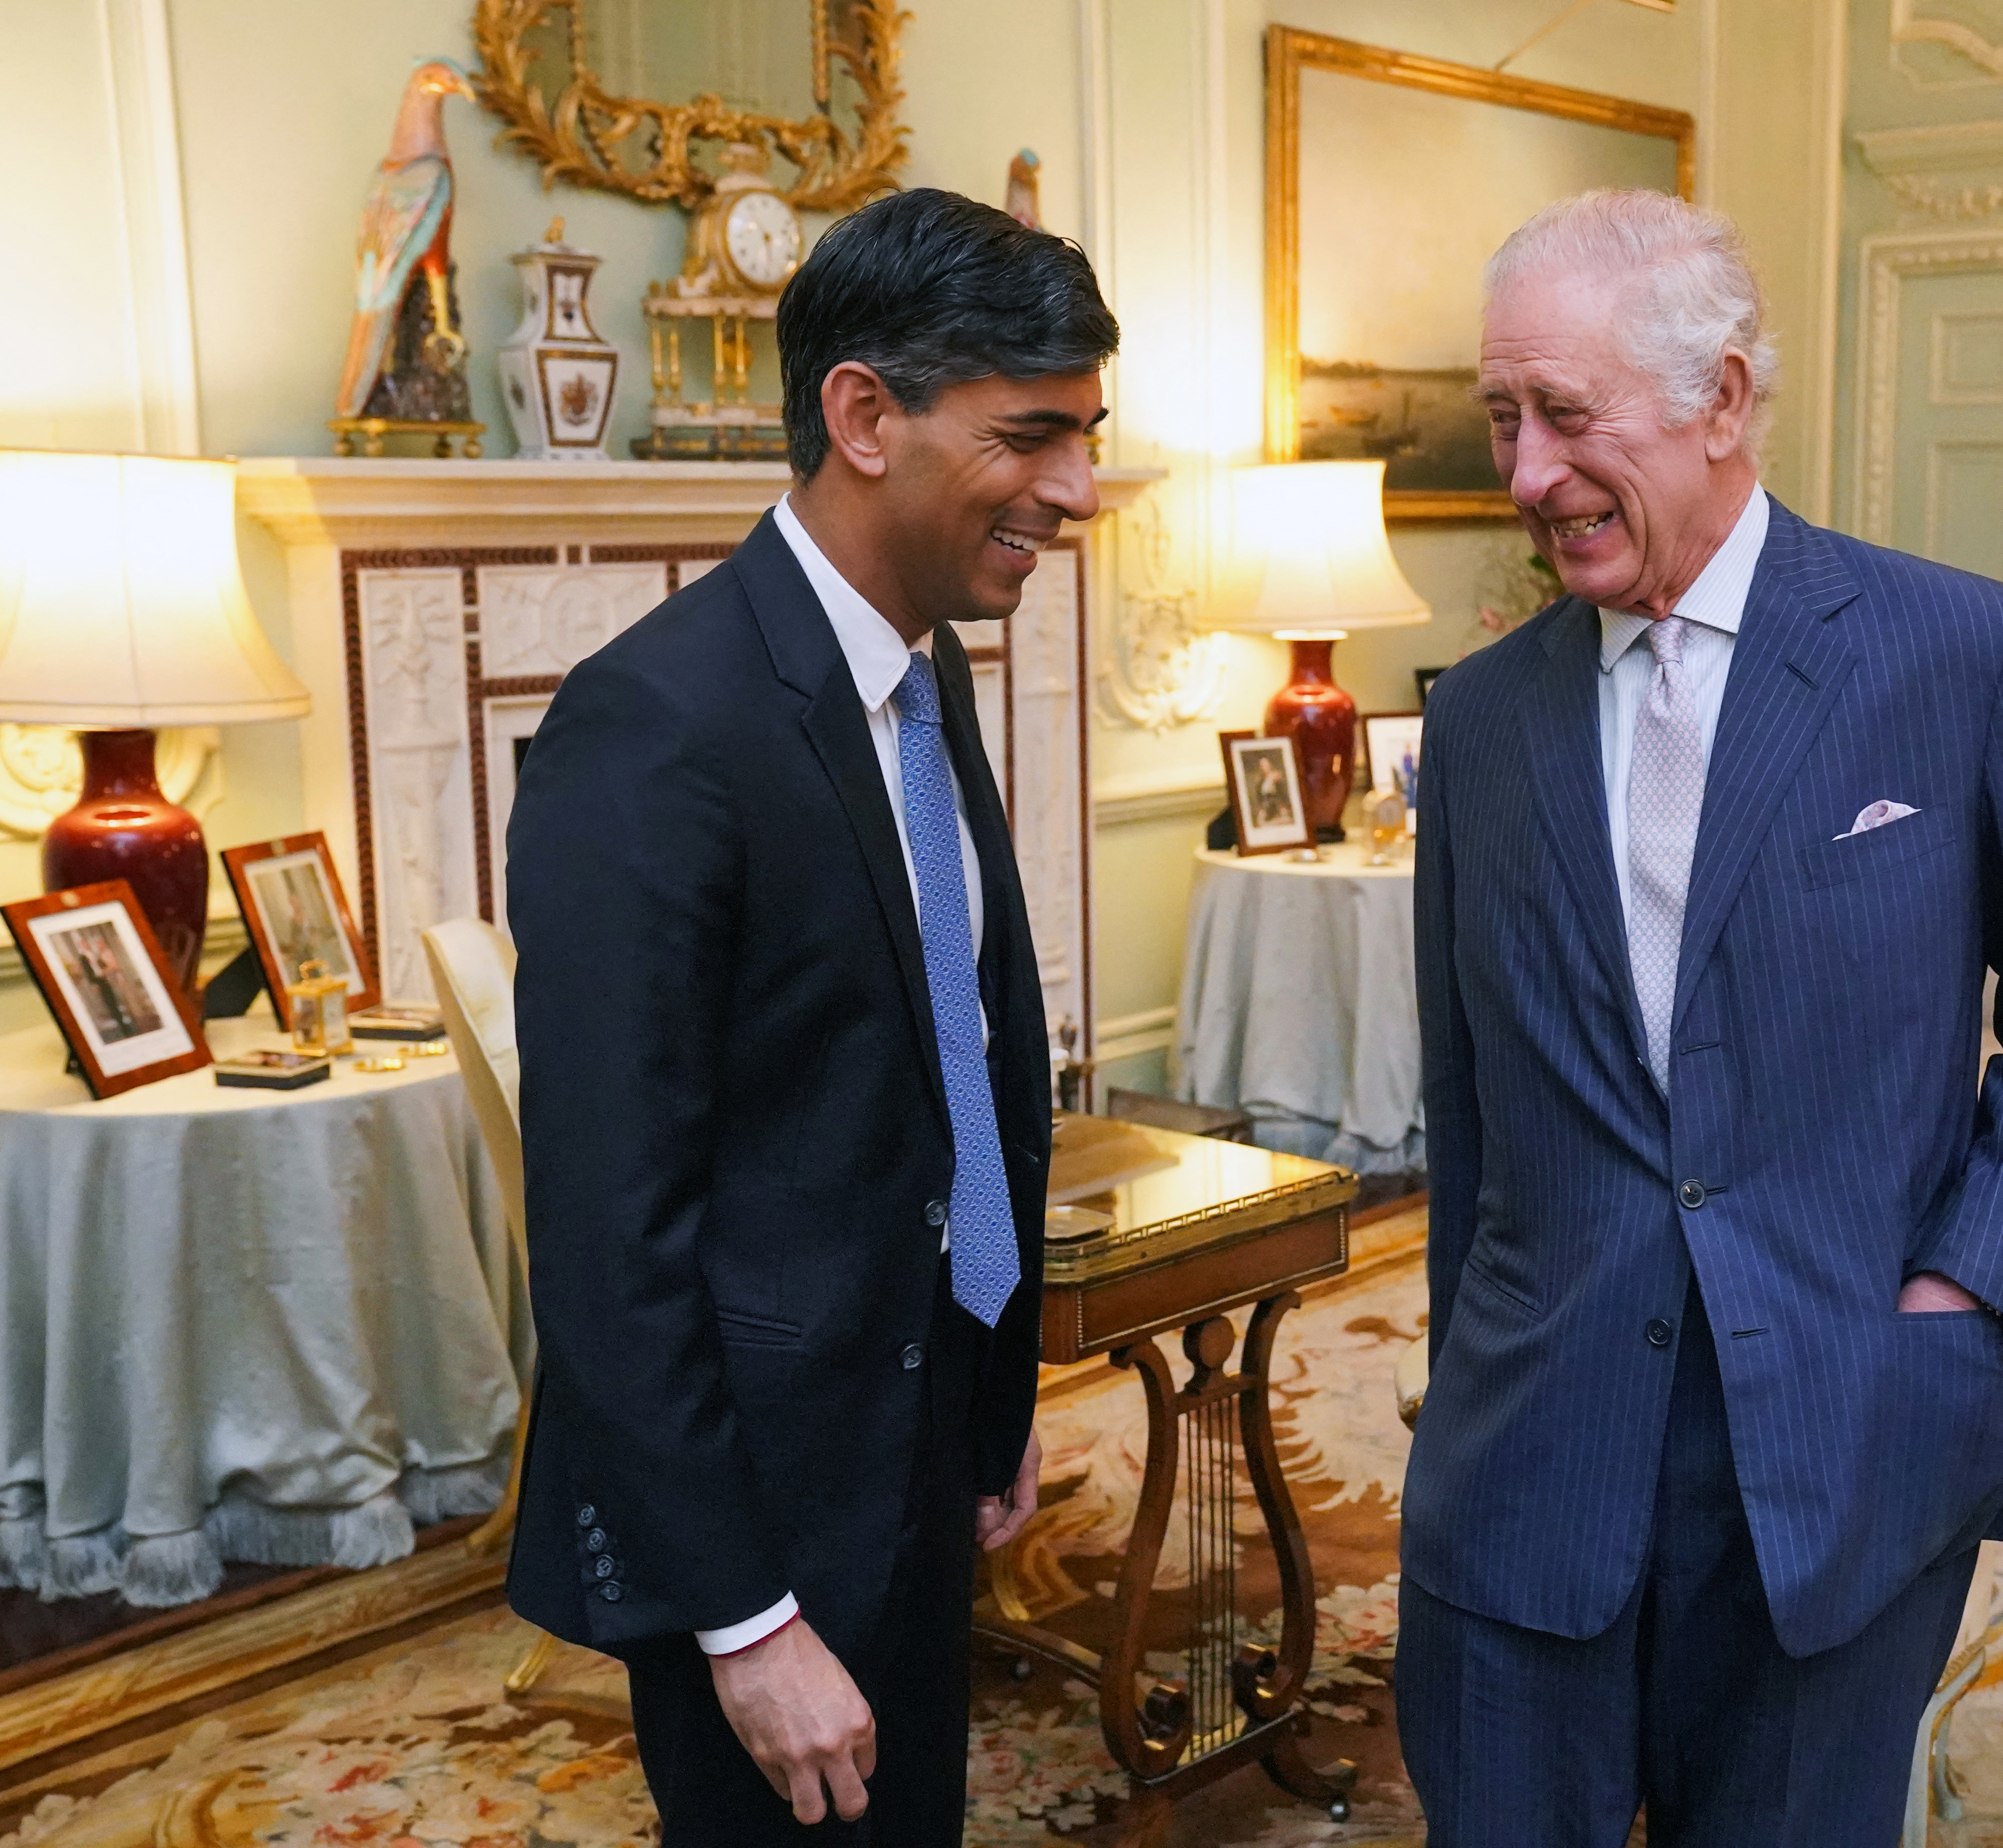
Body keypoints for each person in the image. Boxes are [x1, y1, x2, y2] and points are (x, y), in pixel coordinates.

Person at [1397, 190, 2003, 1845]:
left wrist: (1964, 1300)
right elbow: (1469, 1108)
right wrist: (1470, 1378)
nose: (1524, 475)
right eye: (1500, 418)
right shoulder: (1476, 724)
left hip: (1847, 1423)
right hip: (1532, 1451)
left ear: (1723, 400)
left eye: (1566, 416)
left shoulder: (1957, 654)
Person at [502, 188, 1117, 1845]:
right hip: (756, 1507)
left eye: (1087, 434)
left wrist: (986, 1409)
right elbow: (608, 1236)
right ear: (863, 415)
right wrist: (745, 1621)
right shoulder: (651, 729)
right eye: (1034, 436)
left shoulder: (930, 667)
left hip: (912, 1428)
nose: (1076, 487)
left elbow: (950, 1060)